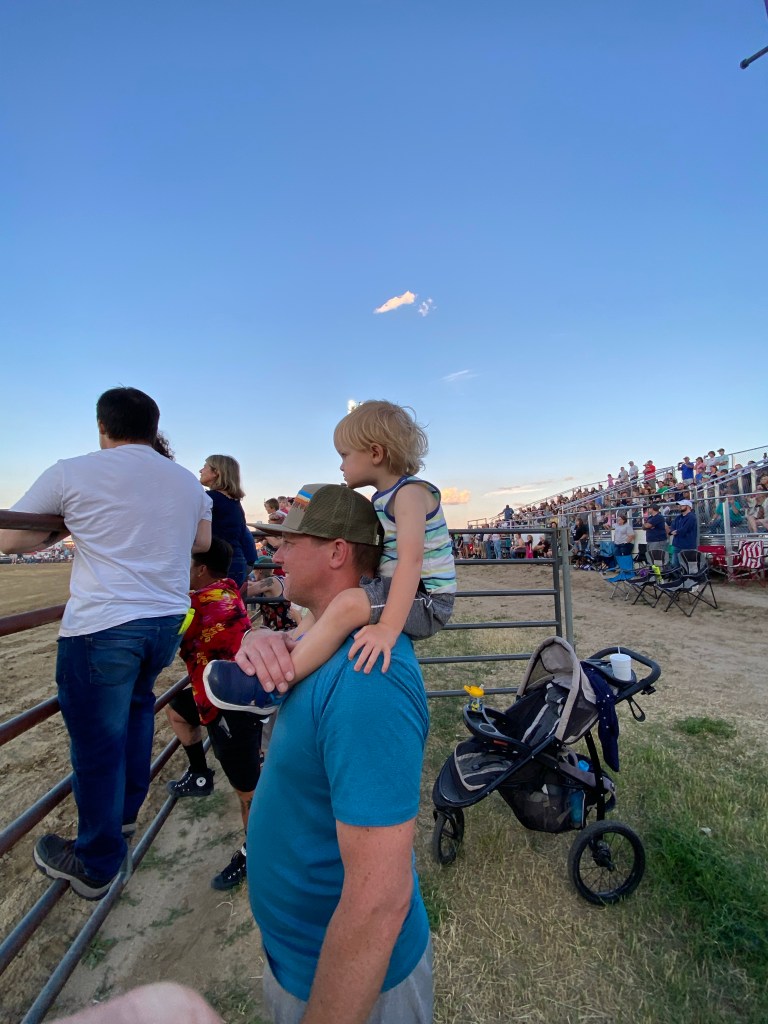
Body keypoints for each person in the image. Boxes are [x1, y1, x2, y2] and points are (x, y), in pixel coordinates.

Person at [0, 387, 211, 899]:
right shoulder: (185, 481)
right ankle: (123, 818)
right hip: (163, 621)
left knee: (97, 742)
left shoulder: (73, 472)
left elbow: (10, 538)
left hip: (105, 625)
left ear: (102, 426)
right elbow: (202, 542)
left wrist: (63, 529)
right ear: (153, 429)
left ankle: (95, 862)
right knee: (137, 714)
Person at [232, 485, 432, 1023]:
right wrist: (259, 641)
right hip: (303, 959)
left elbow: (378, 903)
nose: (275, 554)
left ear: (337, 552)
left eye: (289, 542)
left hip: (349, 984)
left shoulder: (368, 677)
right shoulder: (320, 641)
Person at [206, 401, 455, 713]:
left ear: (375, 453)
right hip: (402, 590)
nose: (341, 466)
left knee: (348, 603)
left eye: (345, 455)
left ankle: (271, 688)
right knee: (336, 605)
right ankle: (292, 645)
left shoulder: (409, 494)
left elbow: (411, 561)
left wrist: (387, 628)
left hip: (428, 600)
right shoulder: (385, 498)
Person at [164, 538, 262, 890]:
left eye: (187, 565)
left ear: (201, 569)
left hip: (230, 708)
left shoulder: (197, 605)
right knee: (177, 712)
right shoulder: (228, 590)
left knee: (247, 792)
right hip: (213, 692)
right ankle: (200, 775)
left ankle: (255, 853)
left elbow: (161, 651)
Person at [199, 455, 257, 587]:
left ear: (216, 472)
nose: (200, 470)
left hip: (216, 564)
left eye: (205, 467)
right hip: (237, 561)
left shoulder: (208, 499)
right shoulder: (234, 502)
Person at [669, 499, 698, 566]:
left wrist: (676, 532)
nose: (679, 506)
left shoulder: (692, 517)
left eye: (682, 505)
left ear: (688, 506)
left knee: (686, 565)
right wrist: (673, 531)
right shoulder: (678, 517)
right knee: (674, 565)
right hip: (676, 545)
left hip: (687, 546)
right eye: (679, 505)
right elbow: (672, 527)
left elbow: (685, 529)